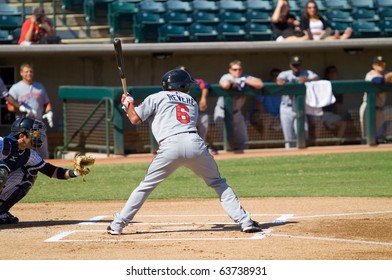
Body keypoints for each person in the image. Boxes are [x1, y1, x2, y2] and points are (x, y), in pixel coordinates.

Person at [107, 68, 262, 235]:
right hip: (195, 144)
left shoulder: (156, 97)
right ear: (179, 85)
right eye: (186, 84)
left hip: (169, 146)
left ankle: (118, 224)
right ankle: (245, 221)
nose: (188, 87)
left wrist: (128, 104)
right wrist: (130, 106)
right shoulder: (191, 101)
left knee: (145, 186)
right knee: (218, 183)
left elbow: (134, 119)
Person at [0, 117, 87, 224]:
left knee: (31, 172)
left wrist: (76, 172)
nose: (38, 138)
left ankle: (1, 211)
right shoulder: (3, 144)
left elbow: (50, 170)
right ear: (22, 136)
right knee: (2, 170)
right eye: (34, 134)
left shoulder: (29, 154)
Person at [214, 60, 264, 152]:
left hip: (237, 112)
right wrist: (233, 83)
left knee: (243, 140)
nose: (237, 71)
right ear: (230, 70)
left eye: (239, 69)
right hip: (222, 111)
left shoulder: (245, 77)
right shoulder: (226, 76)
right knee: (224, 140)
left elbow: (260, 84)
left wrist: (243, 80)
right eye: (235, 69)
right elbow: (225, 85)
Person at [8, 63, 54, 159]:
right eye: (26, 72)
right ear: (21, 73)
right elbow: (9, 107)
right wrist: (21, 109)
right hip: (22, 126)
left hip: (38, 125)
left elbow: (47, 103)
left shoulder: (39, 86)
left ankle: (46, 170)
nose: (28, 74)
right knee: (23, 153)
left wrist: (49, 112)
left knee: (43, 152)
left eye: (30, 71)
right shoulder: (15, 88)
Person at [277, 55, 319, 148]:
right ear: (290, 65)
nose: (296, 68)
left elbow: (316, 78)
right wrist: (281, 82)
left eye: (298, 65)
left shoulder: (306, 73)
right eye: (294, 65)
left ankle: (301, 153)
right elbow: (279, 80)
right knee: (288, 138)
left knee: (303, 132)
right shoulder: (285, 74)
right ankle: (289, 156)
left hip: (299, 107)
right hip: (286, 107)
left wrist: (308, 79)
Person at [176, 66, 216, 153]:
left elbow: (205, 84)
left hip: (192, 114)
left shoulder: (192, 82)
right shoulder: (172, 84)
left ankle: (202, 146)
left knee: (204, 117)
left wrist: (203, 98)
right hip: (177, 116)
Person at [359, 56, 392, 143]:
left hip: (380, 110)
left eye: (383, 63)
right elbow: (377, 81)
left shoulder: (386, 73)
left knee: (380, 137)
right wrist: (389, 76)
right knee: (367, 138)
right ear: (374, 66)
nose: (381, 65)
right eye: (379, 64)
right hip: (368, 109)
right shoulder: (370, 74)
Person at [252, 68, 282, 138]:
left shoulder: (284, 86)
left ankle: (289, 146)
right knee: (266, 121)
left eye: (278, 76)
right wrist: (265, 116)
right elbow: (259, 103)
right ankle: (266, 145)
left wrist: (279, 117)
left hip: (278, 114)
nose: (276, 78)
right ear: (270, 76)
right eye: (274, 76)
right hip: (262, 113)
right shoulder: (265, 85)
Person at [322, 66, 347, 140]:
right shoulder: (323, 85)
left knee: (343, 123)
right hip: (322, 114)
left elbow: (338, 106)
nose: (333, 74)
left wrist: (338, 116)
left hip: (331, 115)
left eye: (334, 72)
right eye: (331, 73)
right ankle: (317, 147)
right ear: (327, 75)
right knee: (319, 125)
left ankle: (337, 144)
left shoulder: (338, 87)